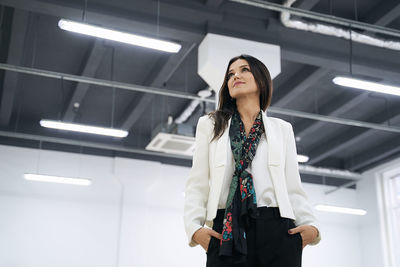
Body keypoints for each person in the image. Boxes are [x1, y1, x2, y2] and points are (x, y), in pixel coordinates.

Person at [183, 54, 320, 267]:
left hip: (277, 229)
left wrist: (310, 227)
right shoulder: (210, 124)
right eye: (230, 74)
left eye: (244, 70)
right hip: (226, 228)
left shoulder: (282, 129)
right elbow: (197, 183)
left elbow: (292, 185)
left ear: (261, 79)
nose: (235, 76)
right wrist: (195, 229)